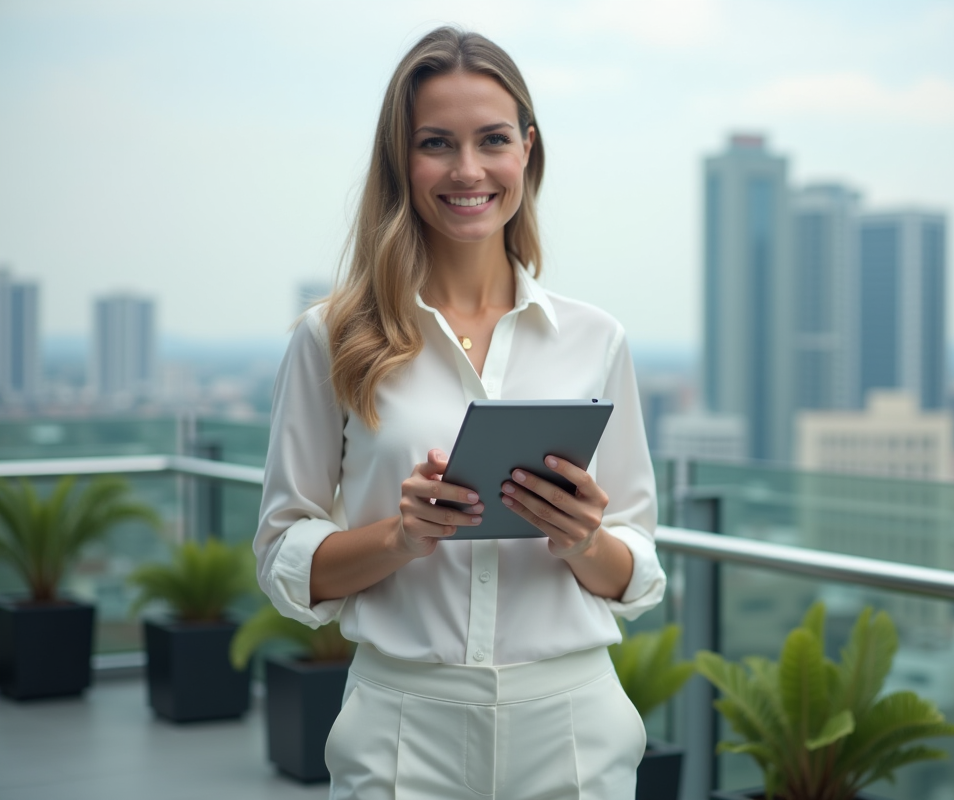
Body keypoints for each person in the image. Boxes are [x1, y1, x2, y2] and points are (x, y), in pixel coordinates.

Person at [253, 26, 666, 800]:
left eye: (493, 140)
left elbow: (637, 568)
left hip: (573, 725)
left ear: (528, 152)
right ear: (400, 162)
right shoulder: (332, 338)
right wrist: (402, 536)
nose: (468, 170)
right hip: (403, 727)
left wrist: (582, 541)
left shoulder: (596, 339)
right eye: (437, 143)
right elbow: (283, 557)